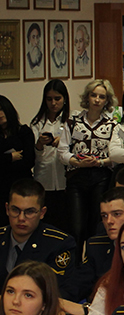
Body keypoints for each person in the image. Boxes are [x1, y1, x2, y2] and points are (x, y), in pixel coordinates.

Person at [58, 79, 117, 250]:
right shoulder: (73, 121)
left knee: (96, 225)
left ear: (107, 101)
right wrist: (76, 162)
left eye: (102, 97)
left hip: (101, 178)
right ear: (87, 97)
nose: (97, 100)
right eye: (93, 95)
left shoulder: (113, 125)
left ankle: (92, 260)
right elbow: (62, 151)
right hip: (77, 177)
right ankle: (75, 262)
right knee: (76, 227)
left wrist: (99, 162)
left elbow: (117, 156)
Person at [0, 178, 76, 297]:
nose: (21, 218)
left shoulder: (59, 244)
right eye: (15, 210)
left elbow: (55, 292)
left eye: (29, 212)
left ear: (42, 213)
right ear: (7, 209)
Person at [68, 187, 124, 306]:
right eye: (104, 216)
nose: (109, 221)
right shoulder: (97, 247)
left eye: (117, 214)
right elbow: (75, 287)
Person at [30, 80, 71, 231]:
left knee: (65, 223)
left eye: (57, 98)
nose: (53, 103)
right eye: (49, 99)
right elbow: (35, 157)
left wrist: (63, 141)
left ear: (64, 99)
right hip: (44, 179)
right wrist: (39, 144)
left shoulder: (71, 121)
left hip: (65, 179)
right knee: (45, 224)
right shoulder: (37, 123)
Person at [0, 95, 36, 207]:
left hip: (22, 185)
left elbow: (29, 161)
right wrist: (10, 157)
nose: (0, 114)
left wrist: (3, 162)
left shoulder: (24, 132)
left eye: (1, 109)